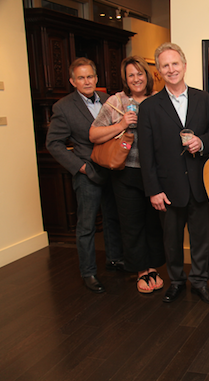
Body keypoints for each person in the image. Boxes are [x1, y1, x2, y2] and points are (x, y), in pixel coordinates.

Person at [138, 43, 209, 304]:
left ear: (184, 66)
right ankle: (176, 281)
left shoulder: (204, 99)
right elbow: (146, 153)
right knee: (171, 241)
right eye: (165, 65)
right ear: (159, 72)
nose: (171, 69)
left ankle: (199, 282)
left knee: (201, 240)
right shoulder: (150, 107)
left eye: (175, 63)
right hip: (167, 188)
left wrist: (202, 142)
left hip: (200, 183)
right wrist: (153, 190)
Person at [46, 57, 124, 293]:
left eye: (90, 76)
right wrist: (79, 167)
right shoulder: (63, 107)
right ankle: (88, 272)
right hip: (86, 172)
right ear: (73, 81)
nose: (87, 81)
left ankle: (114, 259)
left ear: (96, 78)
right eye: (81, 77)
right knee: (87, 225)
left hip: (111, 169)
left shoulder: (110, 101)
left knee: (112, 218)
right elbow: (53, 144)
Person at [90, 56, 165, 294]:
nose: (136, 79)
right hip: (125, 174)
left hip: (154, 174)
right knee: (132, 224)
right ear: (125, 79)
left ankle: (153, 267)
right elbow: (94, 135)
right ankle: (141, 271)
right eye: (131, 75)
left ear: (148, 76)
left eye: (140, 73)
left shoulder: (158, 100)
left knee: (154, 223)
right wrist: (122, 124)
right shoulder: (116, 101)